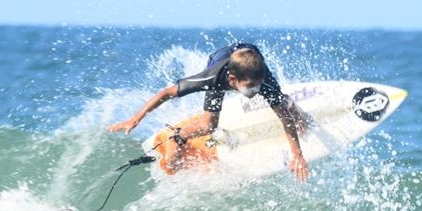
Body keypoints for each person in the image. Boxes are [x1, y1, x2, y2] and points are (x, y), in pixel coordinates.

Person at [108, 43, 313, 182]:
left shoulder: (262, 80)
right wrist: (135, 119)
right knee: (208, 126)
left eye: (257, 85)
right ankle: (176, 137)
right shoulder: (212, 78)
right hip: (220, 60)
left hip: (251, 59)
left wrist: (297, 154)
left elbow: (284, 117)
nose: (255, 91)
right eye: (250, 86)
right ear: (232, 81)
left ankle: (295, 109)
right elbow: (167, 93)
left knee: (280, 102)